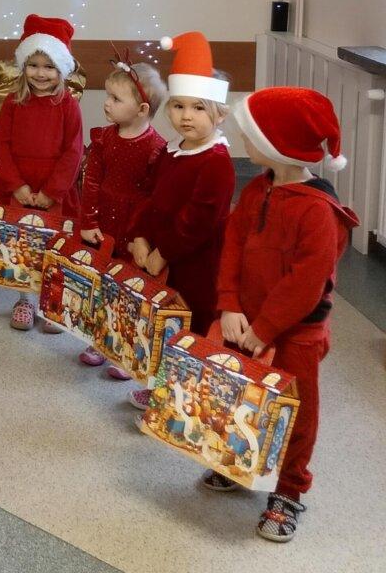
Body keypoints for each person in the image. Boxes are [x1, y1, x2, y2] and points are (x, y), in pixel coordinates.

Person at [206, 87, 358, 543]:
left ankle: (289, 490)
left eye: (251, 135)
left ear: (278, 145)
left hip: (296, 334)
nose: (243, 141)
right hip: (244, 321)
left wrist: (266, 329)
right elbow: (232, 246)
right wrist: (229, 303)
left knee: (295, 411)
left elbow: (305, 284)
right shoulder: (258, 188)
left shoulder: (318, 212)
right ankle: (241, 462)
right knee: (243, 396)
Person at [127, 31, 235, 409]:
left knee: (190, 327)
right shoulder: (171, 150)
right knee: (163, 321)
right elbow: (148, 196)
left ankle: (182, 397)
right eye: (178, 106)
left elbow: (197, 221)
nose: (186, 116)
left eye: (198, 108)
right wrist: (139, 236)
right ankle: (160, 386)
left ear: (219, 113)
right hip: (161, 256)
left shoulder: (217, 161)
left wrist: (163, 253)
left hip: (196, 266)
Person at [0, 14, 84, 333]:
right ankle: (24, 301)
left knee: (54, 247)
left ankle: (53, 303)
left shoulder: (68, 105)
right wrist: (16, 185)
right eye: (33, 65)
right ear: (23, 66)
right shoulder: (13, 102)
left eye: (49, 67)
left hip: (53, 193)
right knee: (24, 246)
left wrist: (51, 192)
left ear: (62, 69)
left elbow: (73, 151)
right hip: (20, 189)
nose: (40, 73)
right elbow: (2, 145)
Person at [76, 53, 167, 372]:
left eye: (116, 99)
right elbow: (91, 181)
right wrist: (88, 221)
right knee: (101, 283)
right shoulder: (104, 138)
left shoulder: (156, 148)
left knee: (129, 290)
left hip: (132, 230)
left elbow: (154, 200)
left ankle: (126, 351)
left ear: (142, 109)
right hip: (103, 225)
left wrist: (142, 238)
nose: (107, 103)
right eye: (108, 95)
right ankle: (99, 339)